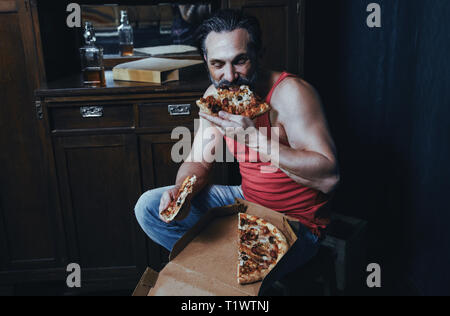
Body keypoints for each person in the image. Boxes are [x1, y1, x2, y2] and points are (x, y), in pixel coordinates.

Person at [135, 9, 340, 270]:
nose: (230, 76)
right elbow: (197, 162)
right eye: (218, 64)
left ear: (258, 55)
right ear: (206, 60)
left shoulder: (292, 94)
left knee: (239, 264)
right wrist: (182, 193)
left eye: (240, 60)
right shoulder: (216, 95)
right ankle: (224, 268)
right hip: (246, 202)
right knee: (149, 208)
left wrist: (255, 139)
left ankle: (225, 270)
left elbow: (329, 178)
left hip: (296, 222)